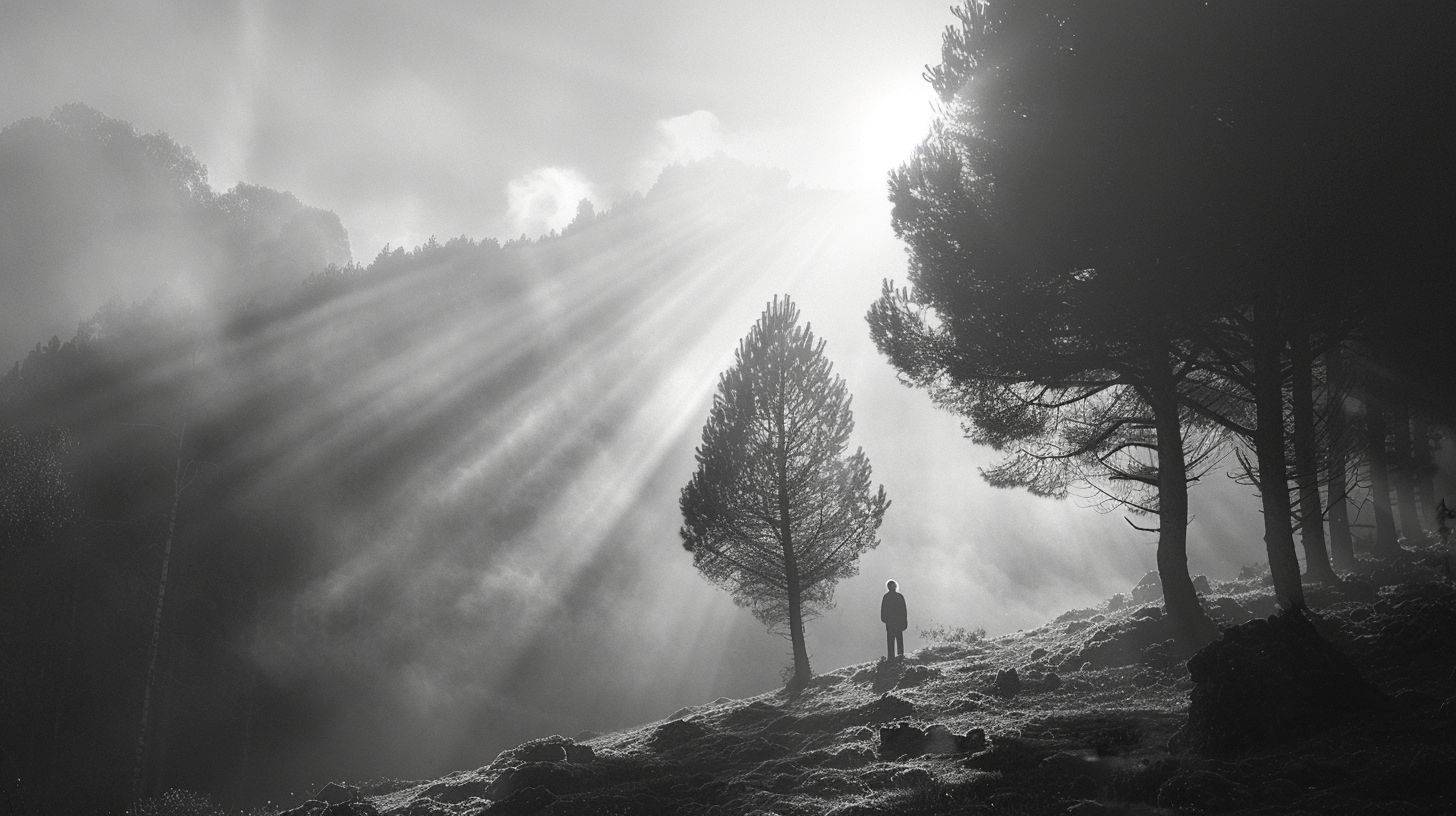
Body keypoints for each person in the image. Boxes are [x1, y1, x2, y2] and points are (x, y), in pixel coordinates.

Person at [881, 579, 908, 660]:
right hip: (896, 622)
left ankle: (892, 657)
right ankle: (900, 656)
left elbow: (883, 611)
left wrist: (885, 620)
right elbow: (904, 611)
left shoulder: (887, 597)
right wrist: (904, 621)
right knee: (898, 640)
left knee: (891, 640)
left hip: (891, 623)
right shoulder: (899, 596)